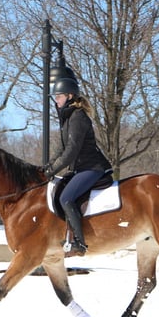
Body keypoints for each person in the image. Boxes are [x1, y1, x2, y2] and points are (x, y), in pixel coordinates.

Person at [44, 69, 112, 257]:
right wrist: (47, 168)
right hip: (81, 168)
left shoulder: (78, 117)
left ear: (70, 95)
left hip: (92, 167)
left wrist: (53, 170)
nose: (56, 100)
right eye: (55, 96)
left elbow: (71, 152)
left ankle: (79, 243)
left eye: (59, 96)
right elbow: (60, 149)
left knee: (66, 198)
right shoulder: (67, 118)